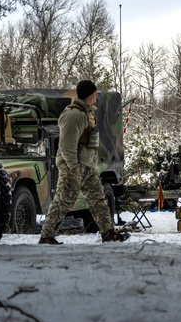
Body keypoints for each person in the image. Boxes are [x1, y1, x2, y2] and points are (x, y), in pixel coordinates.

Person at [38, 80, 129, 244]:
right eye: (95, 93)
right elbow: (67, 145)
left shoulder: (86, 113)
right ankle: (47, 236)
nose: (96, 96)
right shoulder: (74, 115)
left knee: (98, 200)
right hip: (73, 166)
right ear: (90, 94)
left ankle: (108, 233)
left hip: (87, 166)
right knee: (63, 201)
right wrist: (73, 167)